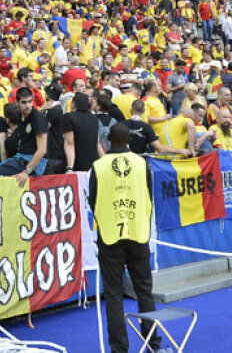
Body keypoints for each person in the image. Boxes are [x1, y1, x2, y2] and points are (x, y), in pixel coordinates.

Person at [89, 122, 162, 353]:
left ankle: (119, 349)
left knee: (113, 295)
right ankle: (153, 344)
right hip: (138, 232)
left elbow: (93, 201)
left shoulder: (98, 166)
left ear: (108, 140)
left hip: (110, 235)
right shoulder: (143, 164)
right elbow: (149, 197)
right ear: (129, 140)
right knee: (144, 291)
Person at [0, 87, 47, 181]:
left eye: (30, 101)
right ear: (17, 102)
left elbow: (42, 150)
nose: (28, 105)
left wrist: (26, 172)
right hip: (20, 157)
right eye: (24, 102)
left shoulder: (38, 118)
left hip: (34, 162)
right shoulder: (19, 116)